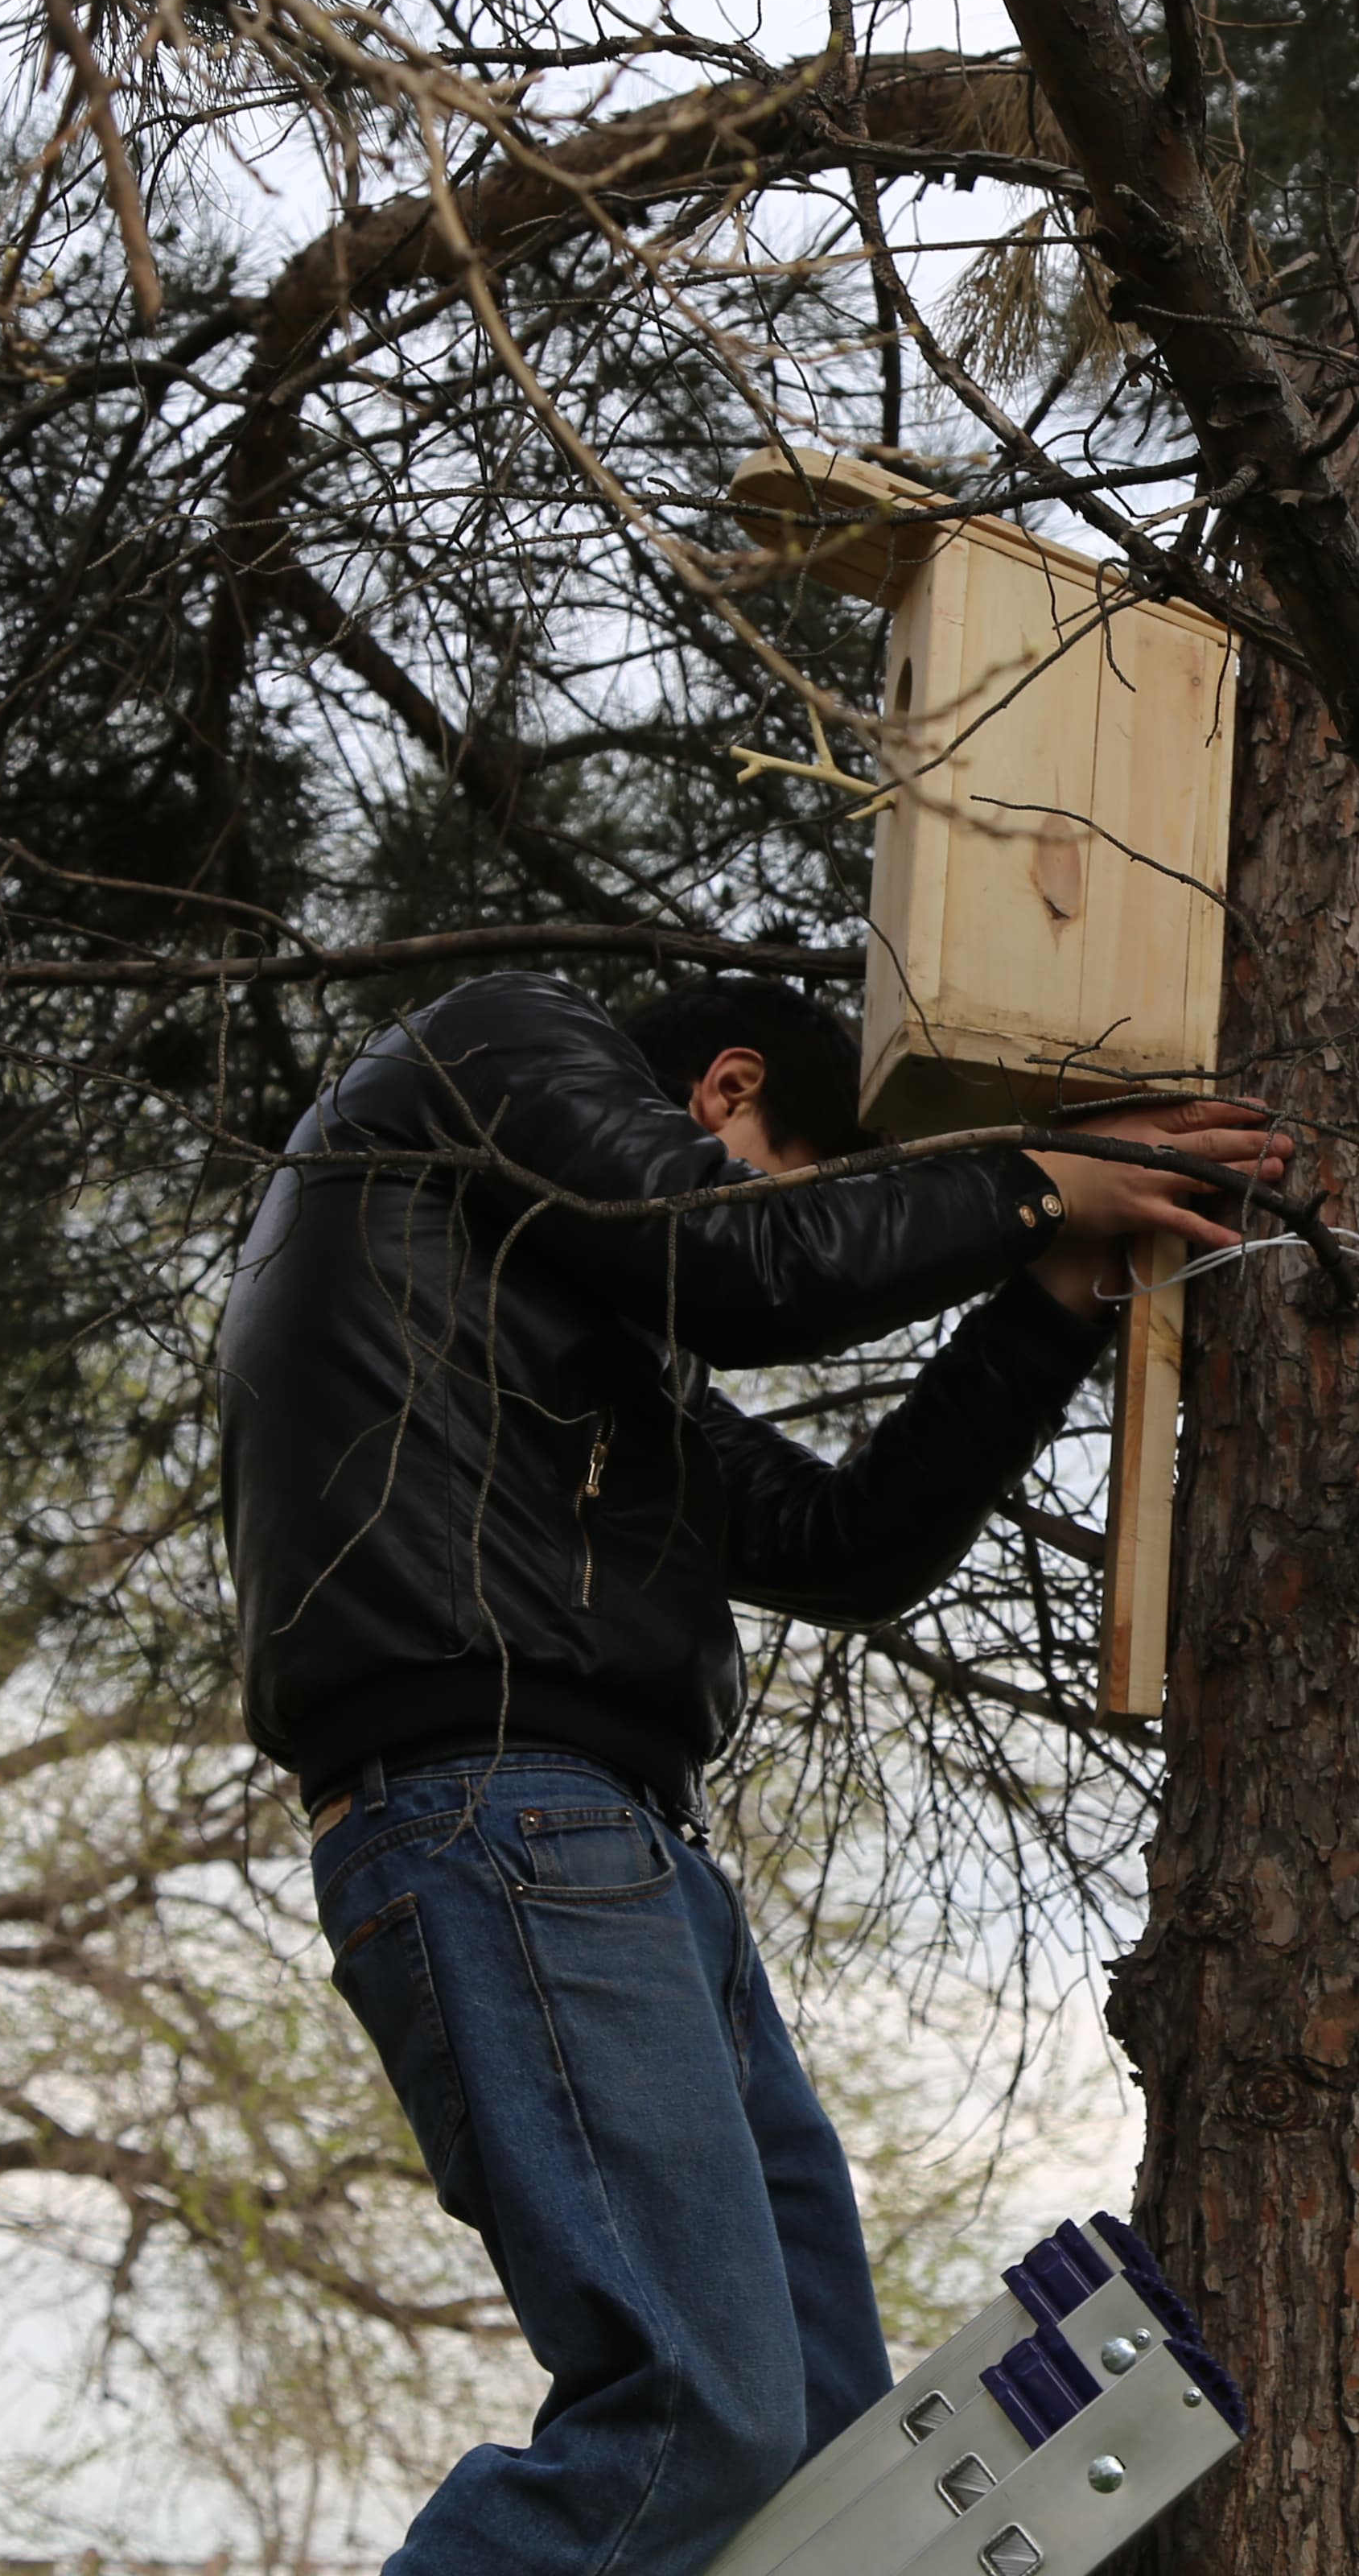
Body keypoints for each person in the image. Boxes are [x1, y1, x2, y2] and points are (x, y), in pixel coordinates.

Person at [215, 967, 1284, 2576]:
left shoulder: (570, 1344)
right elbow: (745, 1263)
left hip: (605, 1845)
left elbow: (843, 1542)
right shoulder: (500, 1045)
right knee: (699, 2421)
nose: (804, 1227)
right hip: (504, 1811)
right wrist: (1033, 1181)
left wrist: (1051, 1285)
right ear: (722, 1096)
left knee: (826, 2485)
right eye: (806, 1176)